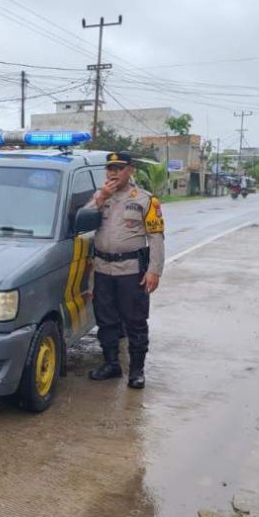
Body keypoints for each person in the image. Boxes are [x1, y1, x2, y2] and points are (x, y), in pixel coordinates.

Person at [87, 152, 165, 389]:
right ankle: (111, 364)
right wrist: (101, 197)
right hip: (102, 269)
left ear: (130, 170)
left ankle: (137, 371)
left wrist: (154, 270)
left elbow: (156, 238)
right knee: (106, 320)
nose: (112, 172)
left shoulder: (146, 200)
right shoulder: (101, 197)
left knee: (135, 322)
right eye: (110, 168)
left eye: (118, 168)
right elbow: (83, 219)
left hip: (131, 271)